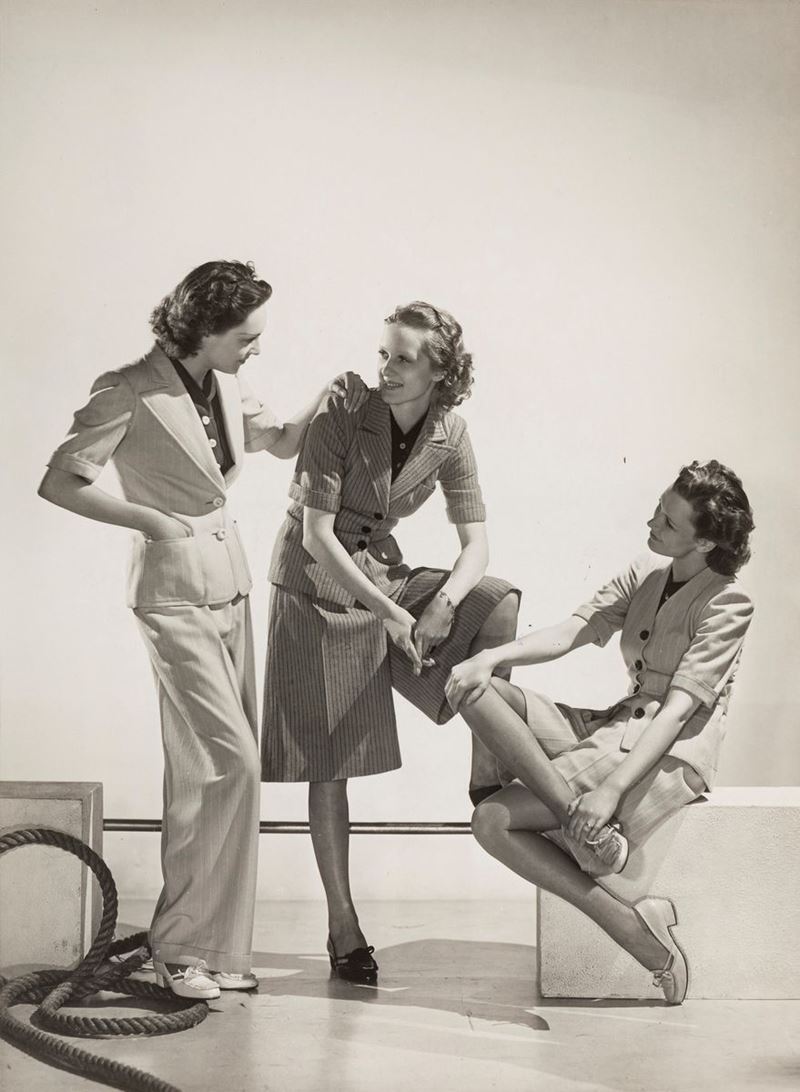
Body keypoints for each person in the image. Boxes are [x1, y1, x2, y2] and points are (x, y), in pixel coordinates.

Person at [38, 260, 365, 1000]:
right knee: (228, 763)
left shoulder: (225, 382)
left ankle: (212, 951)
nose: (256, 348)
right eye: (246, 337)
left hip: (231, 586)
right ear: (206, 329)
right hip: (171, 595)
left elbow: (281, 440)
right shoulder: (126, 389)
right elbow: (61, 480)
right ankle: (180, 947)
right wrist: (151, 521)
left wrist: (329, 393)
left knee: (219, 772)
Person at [261, 301, 520, 983]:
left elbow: (477, 545)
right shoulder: (346, 406)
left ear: (442, 372)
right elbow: (317, 534)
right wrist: (395, 615)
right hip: (314, 586)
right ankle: (342, 926)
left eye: (403, 358)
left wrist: (443, 605)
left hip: (379, 572)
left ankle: (486, 769)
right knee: (330, 764)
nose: (386, 368)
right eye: (384, 353)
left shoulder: (451, 433)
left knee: (497, 604)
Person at [445, 460, 754, 1004]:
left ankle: (636, 934)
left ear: (705, 542)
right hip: (615, 725)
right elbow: (573, 630)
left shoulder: (728, 603)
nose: (652, 523)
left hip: (665, 751)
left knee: (491, 822)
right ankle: (584, 831)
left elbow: (676, 712)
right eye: (658, 509)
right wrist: (490, 657)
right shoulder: (647, 572)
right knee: (474, 686)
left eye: (669, 522)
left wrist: (611, 791)